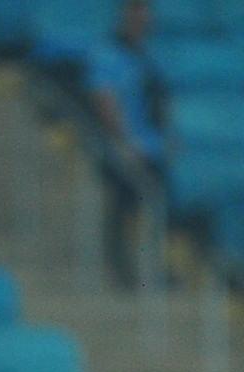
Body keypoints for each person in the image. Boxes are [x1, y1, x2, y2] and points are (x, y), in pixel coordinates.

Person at [86, 0, 170, 285]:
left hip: (153, 146)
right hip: (125, 147)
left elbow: (159, 101)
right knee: (123, 208)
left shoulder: (149, 55)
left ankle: (155, 267)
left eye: (145, 12)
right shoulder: (107, 53)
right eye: (135, 11)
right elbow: (104, 98)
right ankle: (121, 269)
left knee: (156, 207)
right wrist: (123, 141)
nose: (142, 18)